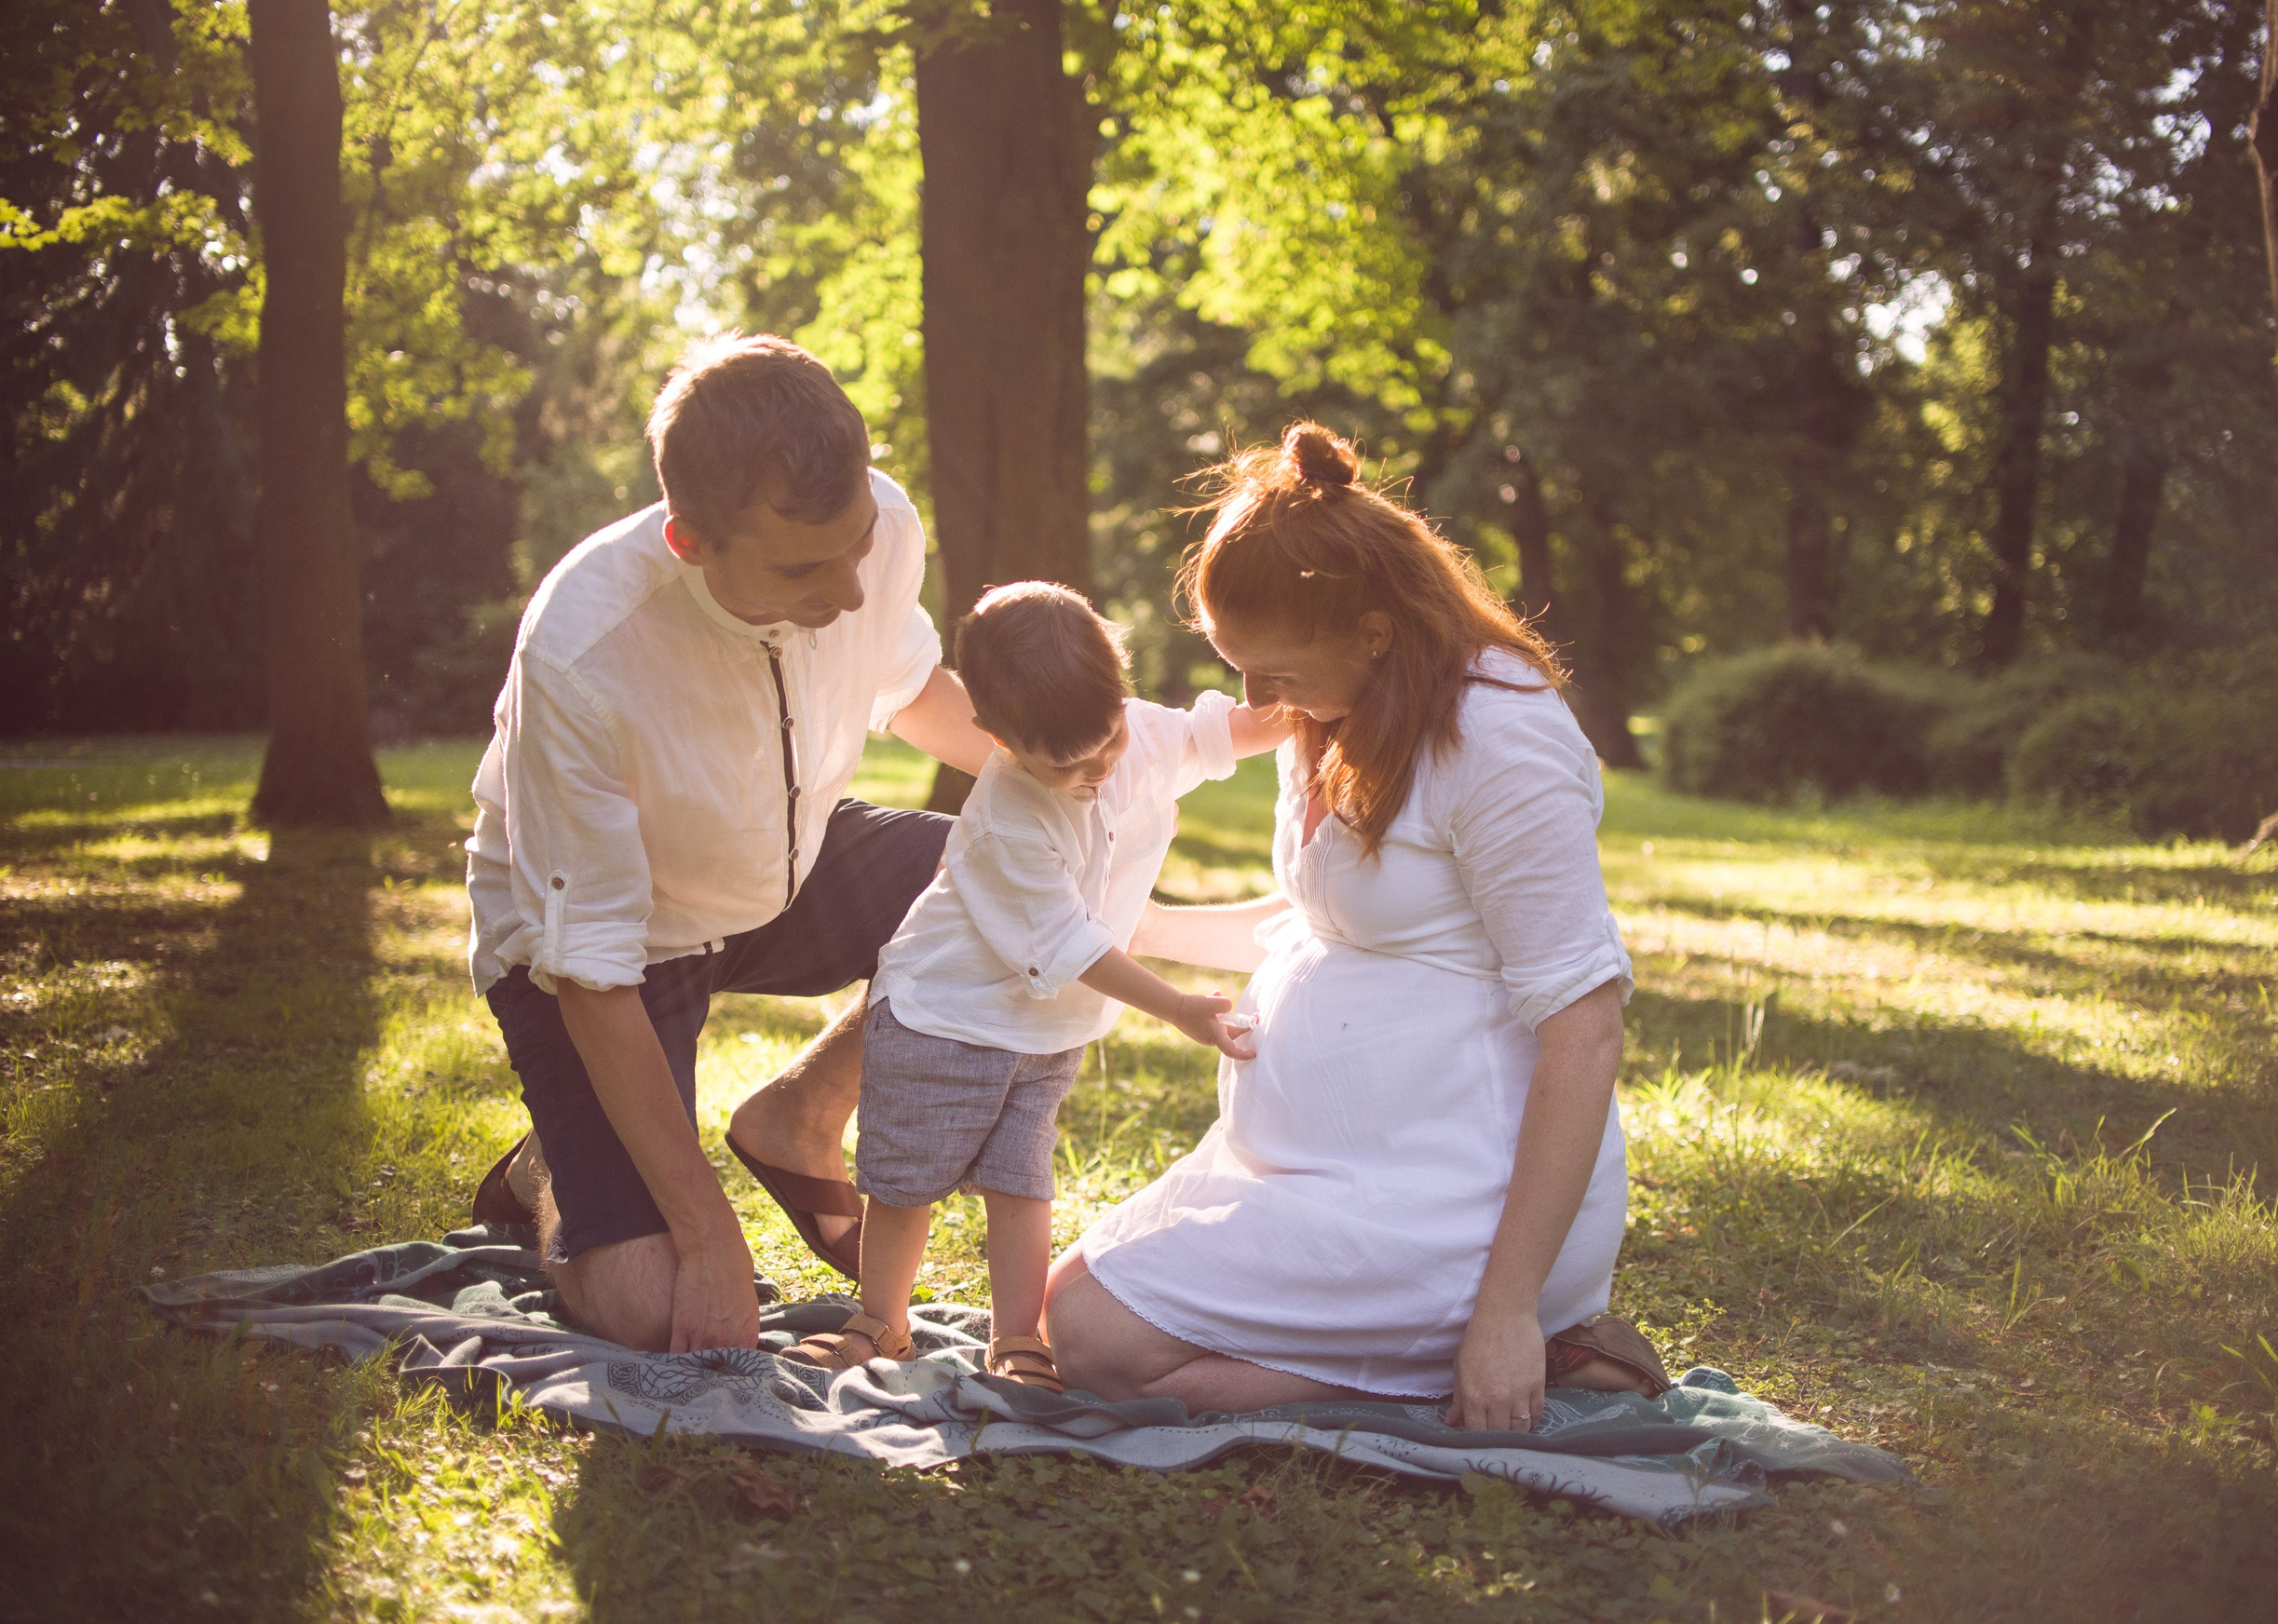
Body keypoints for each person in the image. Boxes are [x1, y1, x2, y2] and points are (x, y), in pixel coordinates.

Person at [1045, 422, 1668, 1432]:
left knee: (1099, 1343)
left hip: (1458, 1196)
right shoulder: (1340, 708)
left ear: (1373, 630)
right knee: (1069, 1308)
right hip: (1330, 1169)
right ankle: (1432, 1357)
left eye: (1273, 672)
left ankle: (1529, 1349)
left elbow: (1585, 1025)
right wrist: (1140, 926)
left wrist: (1504, 1308)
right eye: (1235, 666)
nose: (1253, 701)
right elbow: (1328, 920)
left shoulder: (1504, 743)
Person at [464, 333, 995, 1353]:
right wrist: (707, 1233)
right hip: (601, 951)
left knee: (1022, 885)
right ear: (689, 541)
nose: (847, 589)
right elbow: (592, 978)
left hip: (776, 868)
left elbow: (913, 689)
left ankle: (797, 1114)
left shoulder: (875, 521)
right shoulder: (583, 653)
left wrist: (1076, 767)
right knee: (656, 1308)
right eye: (803, 567)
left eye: (854, 548)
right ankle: (548, 1170)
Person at [785, 582, 1281, 1389]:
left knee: (1022, 1181)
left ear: (1121, 700)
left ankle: (1016, 1337)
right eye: (1066, 764)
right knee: (908, 1180)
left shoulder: (1142, 734)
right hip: (946, 1016)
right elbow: (1074, 943)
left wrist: (1321, 701)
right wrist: (1178, 1006)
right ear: (997, 737)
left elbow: (1237, 728)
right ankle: (881, 1319)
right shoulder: (1010, 812)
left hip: (1049, 1032)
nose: (1095, 772)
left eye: (1107, 743)